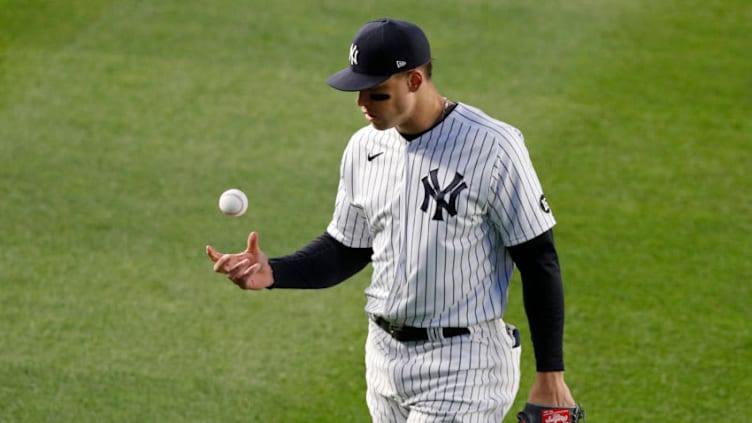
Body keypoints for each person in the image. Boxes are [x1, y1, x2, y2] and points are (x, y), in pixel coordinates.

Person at [207, 17, 579, 422]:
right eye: (358, 90)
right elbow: (346, 248)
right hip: (383, 361)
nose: (361, 104)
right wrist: (273, 271)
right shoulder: (363, 147)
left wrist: (550, 375)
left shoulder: (493, 147)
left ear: (415, 81)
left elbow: (538, 258)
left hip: (463, 365)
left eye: (376, 94)